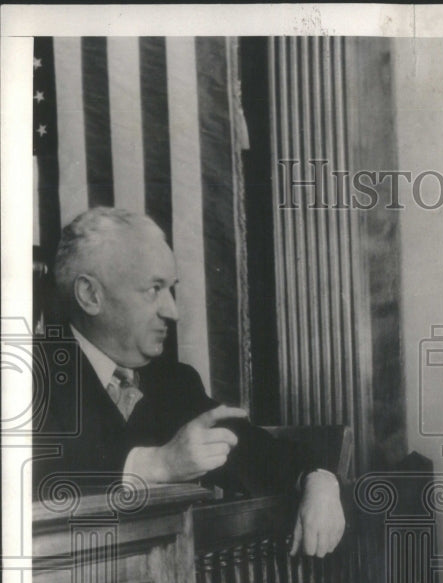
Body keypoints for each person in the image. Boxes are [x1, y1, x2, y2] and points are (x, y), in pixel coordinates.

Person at [33, 207, 344, 557]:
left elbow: (259, 454)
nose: (173, 312)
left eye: (171, 289)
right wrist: (158, 465)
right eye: (154, 289)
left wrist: (318, 480)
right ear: (91, 295)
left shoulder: (174, 382)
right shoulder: (25, 378)